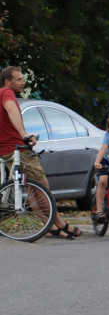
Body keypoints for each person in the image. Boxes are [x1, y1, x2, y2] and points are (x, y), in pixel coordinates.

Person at [1, 65, 82, 240]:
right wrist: (23, 133)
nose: (23, 82)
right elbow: (11, 109)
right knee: (42, 186)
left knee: (32, 188)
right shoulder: (7, 93)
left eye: (22, 79)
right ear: (8, 81)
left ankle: (49, 226)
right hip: (18, 148)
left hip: (5, 149)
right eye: (19, 79)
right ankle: (59, 224)